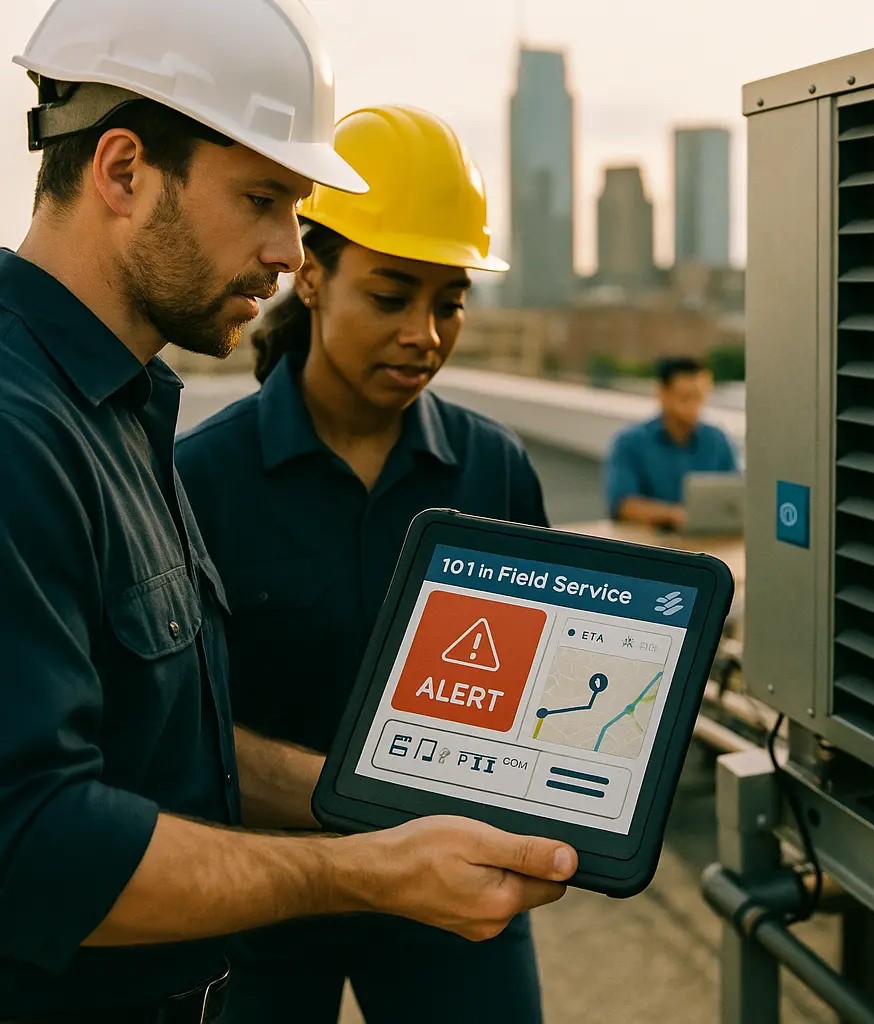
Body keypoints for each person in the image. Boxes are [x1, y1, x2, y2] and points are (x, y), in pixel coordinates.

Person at [0, 4, 576, 1020]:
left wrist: (396, 817)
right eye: (265, 198)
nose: (286, 251)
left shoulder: (121, 416)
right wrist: (363, 867)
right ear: (122, 170)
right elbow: (33, 846)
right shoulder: (20, 433)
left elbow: (186, 746)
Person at [175, 105, 552, 1024]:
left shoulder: (493, 469)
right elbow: (178, 722)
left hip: (453, 897)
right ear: (309, 275)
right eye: (392, 297)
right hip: (264, 895)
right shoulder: (200, 478)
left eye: (450, 301)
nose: (426, 334)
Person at [605, 356, 738, 529]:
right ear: (662, 394)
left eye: (700, 397)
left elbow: (735, 497)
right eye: (685, 397)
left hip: (707, 542)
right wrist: (676, 515)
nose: (694, 406)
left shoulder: (717, 440)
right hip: (648, 544)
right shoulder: (630, 442)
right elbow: (623, 505)